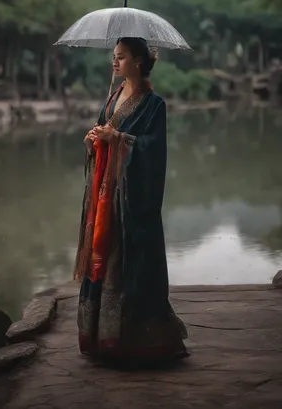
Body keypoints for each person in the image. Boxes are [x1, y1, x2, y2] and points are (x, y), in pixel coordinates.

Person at [74, 37, 189, 365]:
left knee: (128, 263)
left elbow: (153, 150)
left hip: (131, 201)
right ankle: (101, 338)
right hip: (106, 197)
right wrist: (94, 140)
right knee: (102, 257)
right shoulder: (112, 97)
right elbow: (102, 132)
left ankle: (140, 342)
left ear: (138, 61)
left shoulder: (155, 105)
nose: (115, 62)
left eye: (121, 57)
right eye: (114, 57)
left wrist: (120, 138)